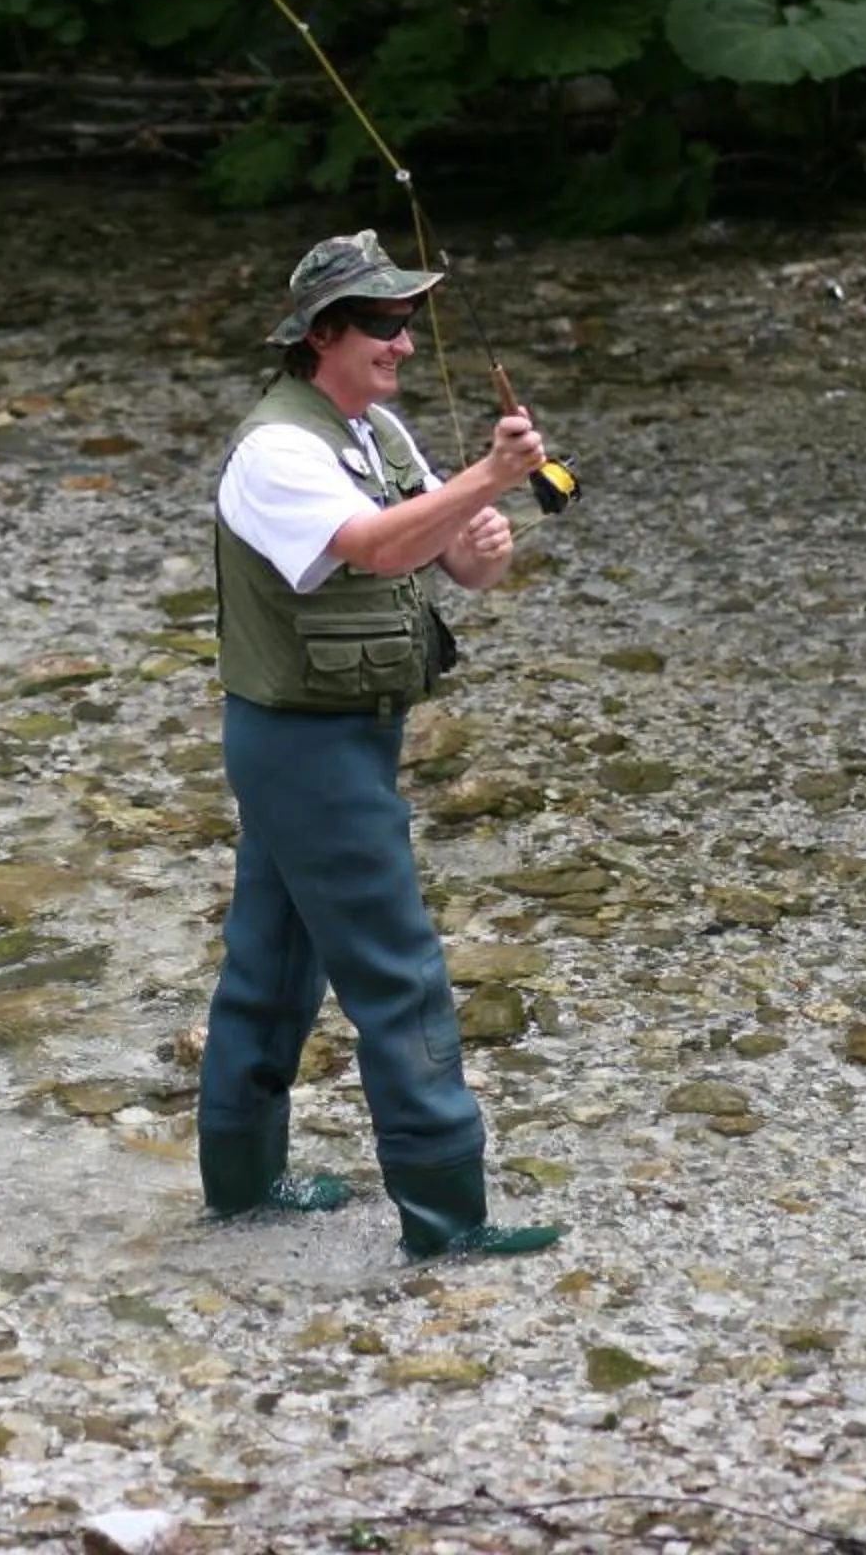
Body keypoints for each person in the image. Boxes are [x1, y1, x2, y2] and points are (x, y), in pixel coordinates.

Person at [198, 228, 564, 1259]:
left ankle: (243, 1184)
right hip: (304, 745)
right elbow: (364, 545)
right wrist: (488, 477)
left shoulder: (378, 436)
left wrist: (478, 541)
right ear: (323, 335)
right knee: (400, 974)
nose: (404, 343)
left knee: (272, 964)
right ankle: (448, 1217)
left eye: (408, 323)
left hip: (342, 734)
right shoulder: (278, 449)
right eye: (386, 324)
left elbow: (439, 555)